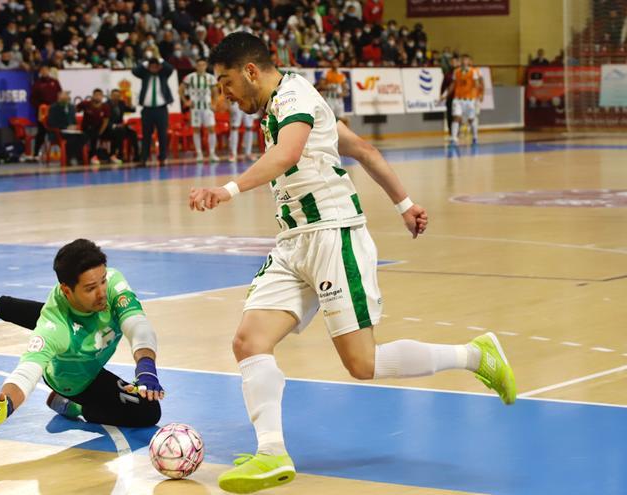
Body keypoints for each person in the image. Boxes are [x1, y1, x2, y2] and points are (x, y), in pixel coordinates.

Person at [190, 33, 516, 493]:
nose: (223, 96)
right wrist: (405, 204)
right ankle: (270, 454)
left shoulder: (295, 97)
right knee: (249, 342)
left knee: (361, 364)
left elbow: (286, 155)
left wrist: (225, 190)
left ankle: (475, 355)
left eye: (225, 83)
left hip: (332, 236)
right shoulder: (293, 105)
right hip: (292, 243)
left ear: (249, 72)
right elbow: (365, 151)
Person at [0, 239, 164, 430]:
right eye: (91, 288)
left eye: (102, 281)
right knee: (149, 411)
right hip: (74, 379)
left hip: (79, 335)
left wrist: (146, 366)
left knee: (50, 318)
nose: (102, 292)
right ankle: (71, 405)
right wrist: (6, 405)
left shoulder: (111, 283)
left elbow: (137, 324)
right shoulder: (54, 326)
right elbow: (27, 371)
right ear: (67, 291)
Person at [132, 56, 175, 167]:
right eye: (152, 66)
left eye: (156, 66)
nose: (154, 68)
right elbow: (134, 71)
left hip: (161, 109)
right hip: (147, 110)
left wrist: (160, 60)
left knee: (162, 134)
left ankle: (162, 158)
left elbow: (170, 68)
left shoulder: (163, 74)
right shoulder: (145, 75)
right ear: (148, 67)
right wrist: (147, 61)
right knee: (146, 135)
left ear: (159, 67)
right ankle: (144, 159)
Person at [180, 59, 219, 162]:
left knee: (211, 129)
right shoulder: (190, 77)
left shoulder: (210, 78)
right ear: (196, 66)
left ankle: (212, 153)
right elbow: (180, 90)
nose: (201, 67)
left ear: (206, 66)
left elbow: (215, 92)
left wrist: (214, 104)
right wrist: (185, 101)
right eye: (199, 65)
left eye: (203, 65)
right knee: (196, 130)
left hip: (207, 107)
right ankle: (199, 154)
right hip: (195, 108)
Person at [442, 54, 484, 145]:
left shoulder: (473, 72)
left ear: (469, 61)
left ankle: (475, 137)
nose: (464, 62)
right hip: (458, 99)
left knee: (471, 119)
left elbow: (477, 84)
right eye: (463, 60)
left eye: (466, 60)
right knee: (456, 117)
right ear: (460, 61)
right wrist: (445, 95)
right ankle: (454, 138)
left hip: (470, 99)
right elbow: (452, 85)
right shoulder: (456, 72)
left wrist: (480, 94)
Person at [47, 90, 86, 166]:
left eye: (66, 97)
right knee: (72, 138)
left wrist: (74, 126)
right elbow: (51, 123)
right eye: (63, 98)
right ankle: (70, 157)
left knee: (83, 136)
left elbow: (74, 121)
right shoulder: (53, 108)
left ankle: (79, 158)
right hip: (58, 132)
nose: (65, 99)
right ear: (59, 98)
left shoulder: (71, 107)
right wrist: (65, 127)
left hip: (71, 131)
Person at [103, 88, 138, 164]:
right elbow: (104, 120)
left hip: (120, 127)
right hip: (109, 128)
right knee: (119, 131)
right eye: (114, 95)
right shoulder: (106, 105)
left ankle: (136, 156)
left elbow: (132, 110)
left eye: (118, 96)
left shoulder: (121, 103)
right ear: (111, 96)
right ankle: (119, 155)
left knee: (133, 133)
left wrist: (130, 104)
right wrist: (115, 126)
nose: (116, 97)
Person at [76, 88, 111, 165]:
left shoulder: (105, 107)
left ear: (102, 97)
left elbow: (105, 121)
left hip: (100, 129)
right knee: (91, 134)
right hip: (86, 128)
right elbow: (75, 110)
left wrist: (100, 132)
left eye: (99, 95)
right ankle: (91, 156)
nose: (98, 97)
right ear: (93, 96)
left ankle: (111, 155)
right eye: (96, 95)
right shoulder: (85, 104)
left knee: (112, 132)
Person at [317, 58, 349, 127]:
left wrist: (343, 93)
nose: (335, 64)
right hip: (329, 98)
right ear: (331, 64)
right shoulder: (326, 73)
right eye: (333, 62)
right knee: (329, 118)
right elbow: (321, 85)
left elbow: (345, 88)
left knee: (341, 118)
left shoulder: (341, 75)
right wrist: (329, 87)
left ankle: (346, 135)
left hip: (339, 100)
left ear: (339, 64)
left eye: (336, 62)